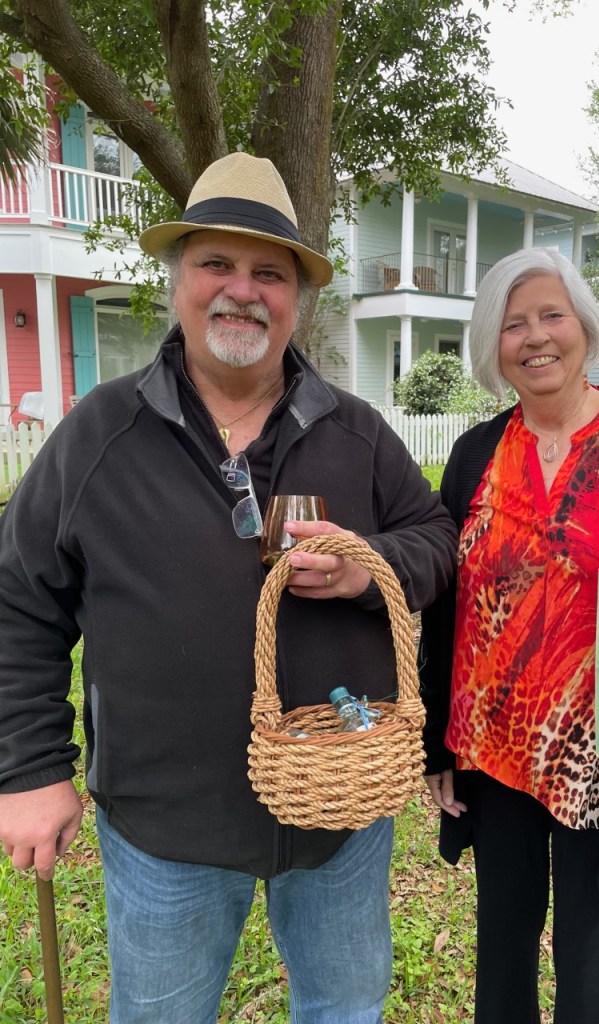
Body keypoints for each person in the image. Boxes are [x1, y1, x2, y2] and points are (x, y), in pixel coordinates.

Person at [0, 153, 457, 1024]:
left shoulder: (357, 433)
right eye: (217, 264)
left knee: (343, 1010)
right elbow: (19, 600)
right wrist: (28, 770)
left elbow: (436, 538)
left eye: (269, 274)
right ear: (178, 282)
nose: (242, 291)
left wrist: (367, 568)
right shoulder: (100, 434)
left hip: (337, 808)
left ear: (296, 301)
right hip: (163, 820)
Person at [419, 249, 599, 1024]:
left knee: (596, 971)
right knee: (502, 953)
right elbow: (447, 607)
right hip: (495, 751)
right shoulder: (475, 456)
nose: (536, 336)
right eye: (513, 324)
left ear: (584, 326)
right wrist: (436, 743)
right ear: (494, 346)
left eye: (552, 315)